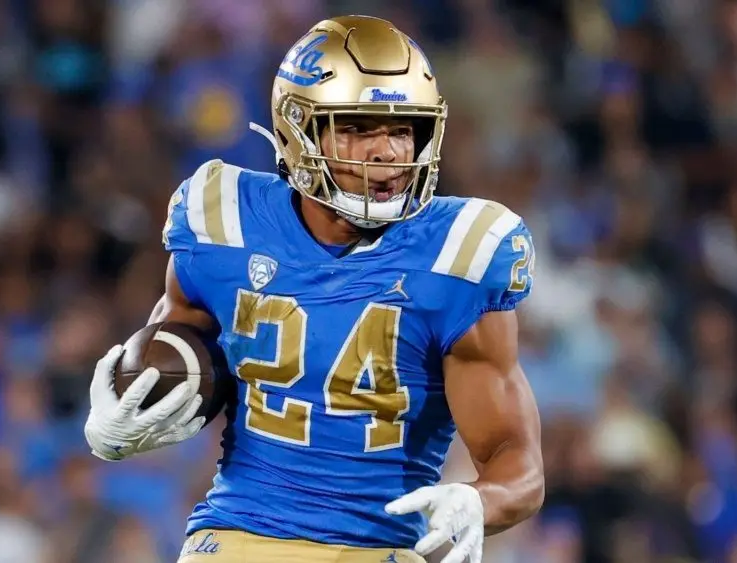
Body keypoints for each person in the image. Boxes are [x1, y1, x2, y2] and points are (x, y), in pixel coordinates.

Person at [83, 15, 544, 563]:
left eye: (402, 129)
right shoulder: (225, 221)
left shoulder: (459, 256)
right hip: (241, 534)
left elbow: (517, 460)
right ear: (296, 130)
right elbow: (178, 346)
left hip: (381, 546)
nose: (387, 152)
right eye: (357, 126)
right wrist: (121, 410)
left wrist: (477, 500)